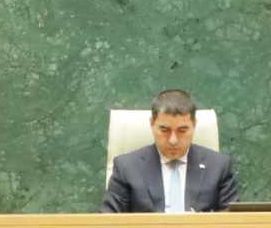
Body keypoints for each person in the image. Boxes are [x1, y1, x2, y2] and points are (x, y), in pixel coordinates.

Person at [100, 89, 240, 213]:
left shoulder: (219, 167)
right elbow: (107, 222)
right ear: (152, 124)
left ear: (194, 125)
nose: (173, 140)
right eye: (165, 130)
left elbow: (233, 222)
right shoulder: (127, 167)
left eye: (182, 130)